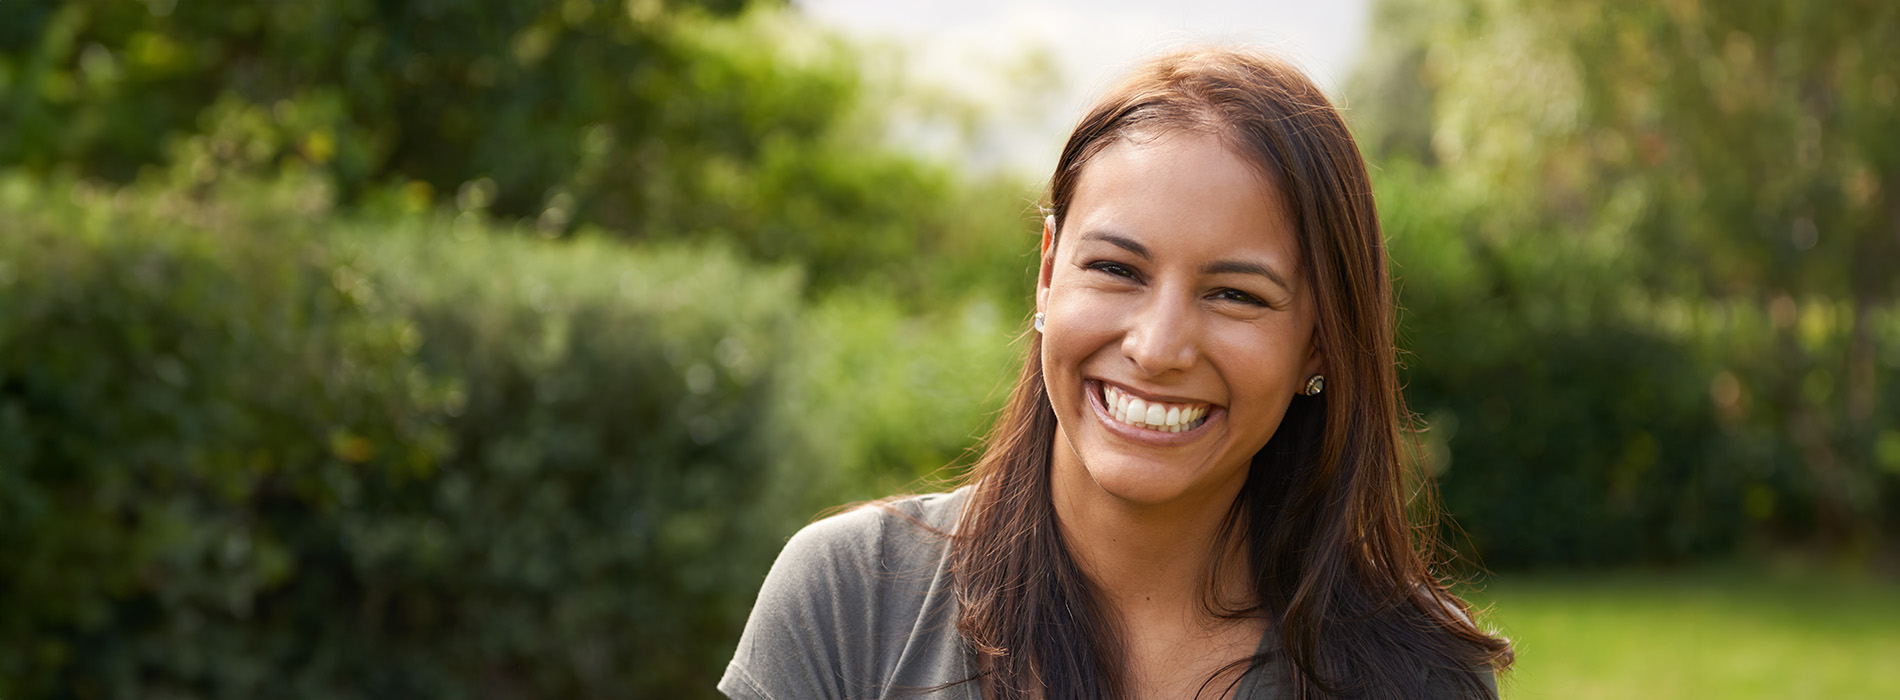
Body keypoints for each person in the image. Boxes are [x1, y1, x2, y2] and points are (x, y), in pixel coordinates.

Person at [719, 47, 1514, 700]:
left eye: (1235, 294)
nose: (1158, 346)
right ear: (1046, 274)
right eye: (1116, 269)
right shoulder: (850, 600)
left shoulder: (1417, 677)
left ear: (1319, 344)